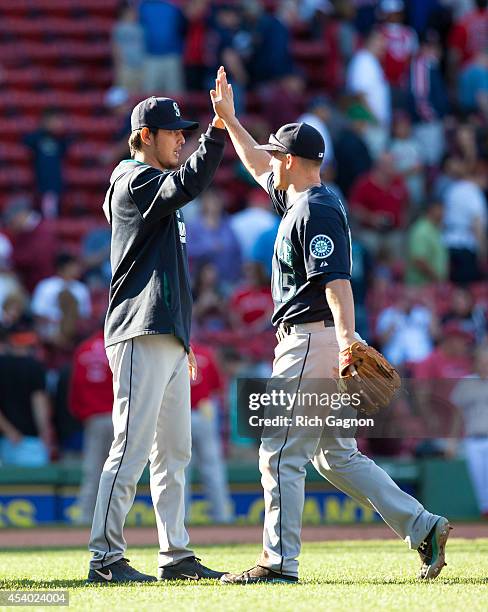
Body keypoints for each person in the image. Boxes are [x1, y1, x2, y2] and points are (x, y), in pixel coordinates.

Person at [211, 65, 451, 584]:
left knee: (278, 451)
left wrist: (346, 342)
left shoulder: (315, 209)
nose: (270, 162)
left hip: (313, 339)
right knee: (334, 456)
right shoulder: (302, 197)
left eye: (278, 155)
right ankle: (422, 525)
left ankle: (278, 563)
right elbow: (256, 165)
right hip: (323, 338)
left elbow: (336, 282)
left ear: (291, 161)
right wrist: (230, 121)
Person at [87, 94, 227, 583]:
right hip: (138, 329)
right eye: (174, 132)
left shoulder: (153, 183)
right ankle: (105, 559)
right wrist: (220, 128)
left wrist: (184, 339)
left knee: (173, 452)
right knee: (130, 446)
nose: (183, 139)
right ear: (146, 135)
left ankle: (176, 555)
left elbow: (171, 272)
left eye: (187, 132)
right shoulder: (132, 178)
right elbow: (191, 181)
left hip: (165, 333)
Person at [69, 330, 114, 525]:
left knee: (93, 470)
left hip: (94, 419)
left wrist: (82, 413)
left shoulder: (84, 348)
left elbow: (75, 386)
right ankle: (114, 519)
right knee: (120, 471)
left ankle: (85, 517)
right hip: (120, 415)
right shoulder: (120, 344)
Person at [186, 341, 233, 523]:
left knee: (179, 471)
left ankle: (180, 521)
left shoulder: (172, 352)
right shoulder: (205, 352)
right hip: (204, 413)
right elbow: (217, 388)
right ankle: (222, 517)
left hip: (178, 414)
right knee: (213, 468)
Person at [23, 108, 70, 218]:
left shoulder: (60, 140)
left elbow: (65, 151)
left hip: (55, 181)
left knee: (51, 209)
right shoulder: (37, 138)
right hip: (41, 180)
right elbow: (27, 142)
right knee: (45, 209)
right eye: (54, 121)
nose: (57, 124)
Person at [405, 201, 448, 286]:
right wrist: (436, 278)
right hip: (420, 287)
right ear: (431, 210)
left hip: (432, 285)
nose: (444, 213)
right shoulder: (421, 230)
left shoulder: (435, 228)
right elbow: (419, 260)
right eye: (440, 209)